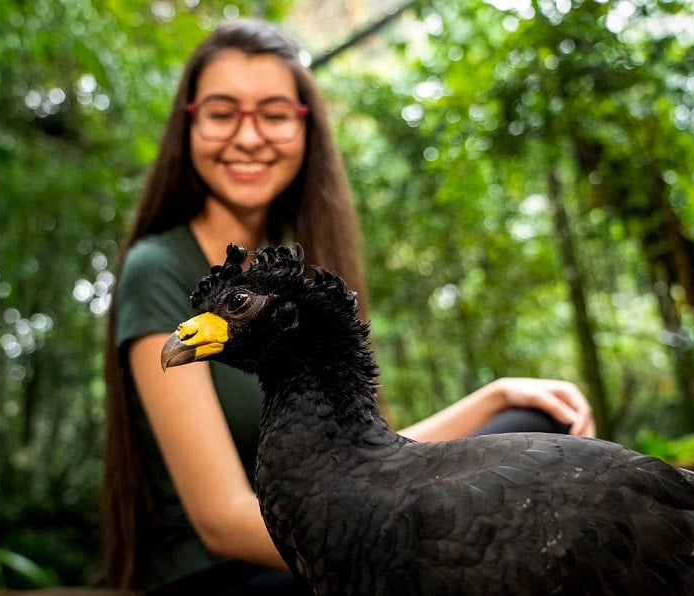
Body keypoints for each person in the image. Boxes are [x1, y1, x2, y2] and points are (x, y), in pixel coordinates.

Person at [100, 18, 596, 595]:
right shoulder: (158, 267)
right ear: (188, 126)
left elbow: (366, 471)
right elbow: (224, 521)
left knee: (541, 422)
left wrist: (497, 396)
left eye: (275, 113)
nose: (249, 135)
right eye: (221, 112)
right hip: (231, 573)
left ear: (307, 128)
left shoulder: (298, 287)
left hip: (329, 540)